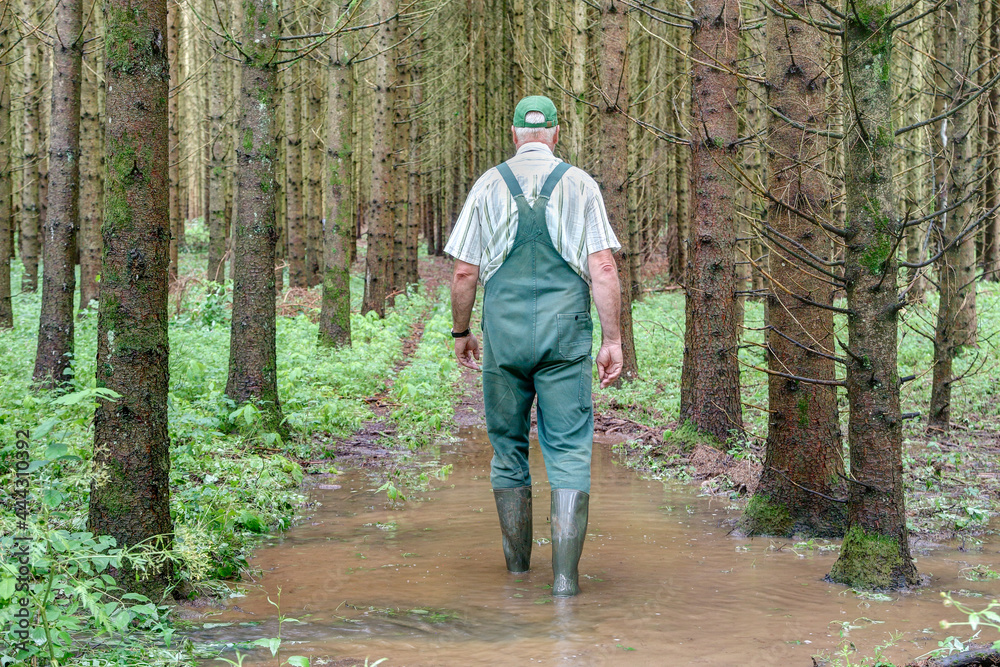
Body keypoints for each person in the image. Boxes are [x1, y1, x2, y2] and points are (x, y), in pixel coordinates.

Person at [445, 95, 624, 597]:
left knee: (508, 447)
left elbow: (464, 271)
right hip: (565, 330)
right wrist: (612, 339)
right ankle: (565, 582)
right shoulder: (580, 183)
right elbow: (603, 268)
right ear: (556, 134)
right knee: (568, 447)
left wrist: (461, 333)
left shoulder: (486, 184)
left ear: (514, 132)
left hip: (503, 334)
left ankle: (518, 577)